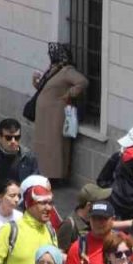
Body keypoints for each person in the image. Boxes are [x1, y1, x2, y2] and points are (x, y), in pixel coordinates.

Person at [29, 43, 87, 181]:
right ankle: (42, 172)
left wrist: (70, 93)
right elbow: (43, 87)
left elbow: (83, 82)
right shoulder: (53, 69)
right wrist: (35, 81)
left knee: (54, 144)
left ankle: (55, 175)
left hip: (56, 114)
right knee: (43, 144)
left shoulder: (67, 71)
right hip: (44, 115)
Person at [0, 177, 56, 264]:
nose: (49, 208)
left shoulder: (50, 231)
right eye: (43, 203)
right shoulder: (10, 230)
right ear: (29, 205)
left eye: (50, 203)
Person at [56, 183, 112, 258]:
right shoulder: (69, 224)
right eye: (100, 202)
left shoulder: (93, 221)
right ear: (89, 206)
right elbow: (58, 254)